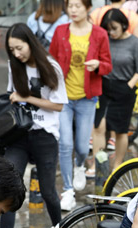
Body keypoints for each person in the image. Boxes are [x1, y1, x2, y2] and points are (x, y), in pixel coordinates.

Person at [0, 23, 68, 228]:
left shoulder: (51, 67)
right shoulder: (14, 64)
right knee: (9, 187)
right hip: (19, 136)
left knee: (49, 191)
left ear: (30, 43)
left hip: (45, 136)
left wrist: (26, 97)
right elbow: (12, 96)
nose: (16, 54)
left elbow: (59, 105)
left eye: (19, 48)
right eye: (12, 50)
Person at [49, 0, 112, 212]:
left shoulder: (99, 34)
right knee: (65, 144)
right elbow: (51, 60)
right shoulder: (60, 31)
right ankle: (67, 191)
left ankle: (79, 166)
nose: (73, 10)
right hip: (63, 98)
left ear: (88, 8)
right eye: (70, 6)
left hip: (87, 97)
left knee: (83, 147)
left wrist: (97, 65)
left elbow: (108, 65)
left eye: (78, 6)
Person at [90, 9, 138, 172]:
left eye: (114, 28)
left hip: (124, 89)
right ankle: (97, 164)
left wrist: (129, 85)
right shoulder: (105, 40)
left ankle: (117, 165)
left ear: (123, 25)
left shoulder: (135, 43)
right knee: (98, 127)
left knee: (121, 130)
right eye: (108, 28)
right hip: (104, 87)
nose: (111, 32)